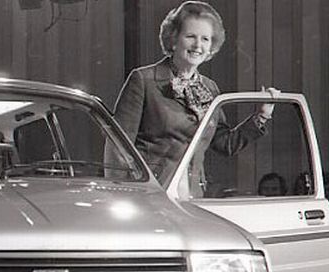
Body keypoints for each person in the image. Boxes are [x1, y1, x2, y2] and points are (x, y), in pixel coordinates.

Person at [110, 1, 279, 189]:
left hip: (192, 192)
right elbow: (118, 146)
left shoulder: (210, 88)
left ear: (211, 46)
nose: (198, 45)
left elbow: (225, 143)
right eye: (190, 36)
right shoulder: (143, 80)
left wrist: (262, 116)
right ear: (174, 39)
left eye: (205, 39)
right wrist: (121, 191)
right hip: (151, 190)